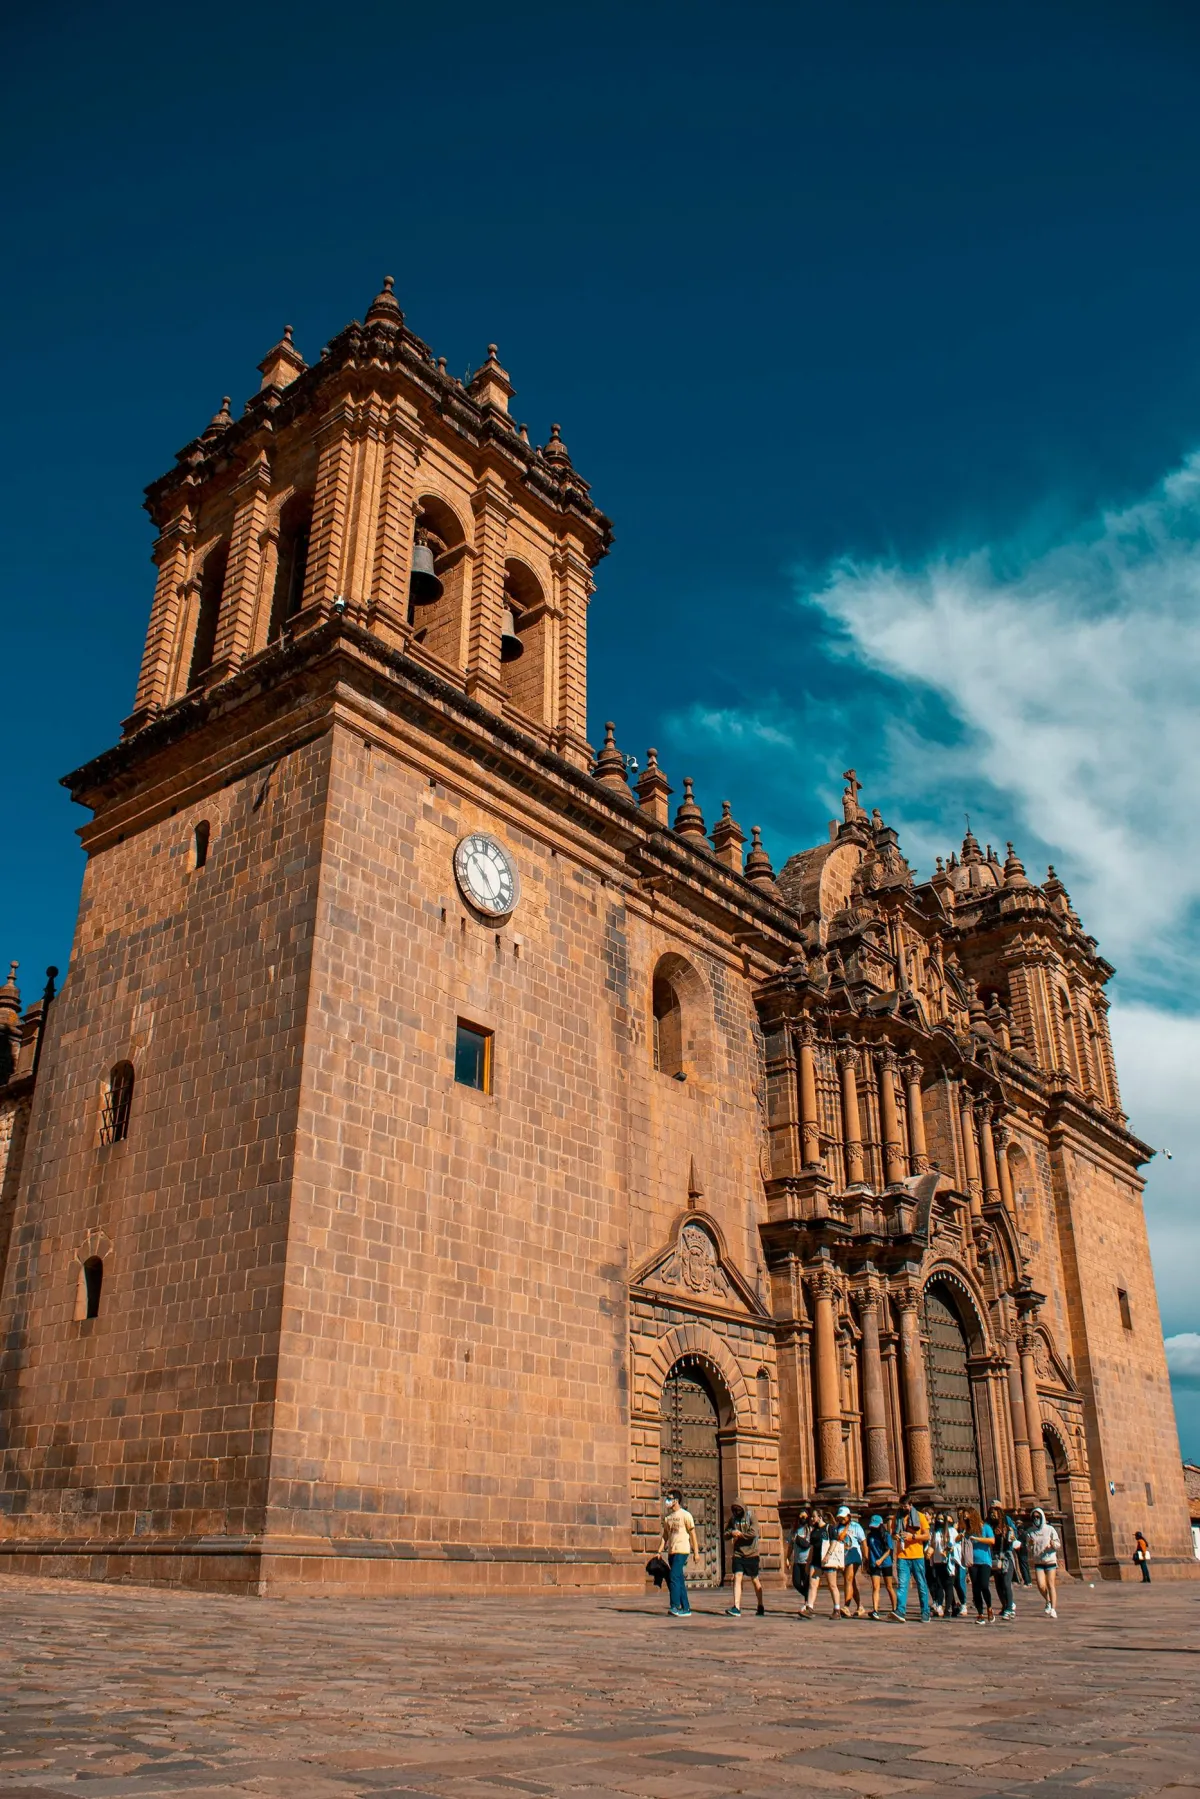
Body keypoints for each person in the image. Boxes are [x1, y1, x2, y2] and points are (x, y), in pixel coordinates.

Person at [659, 1490, 699, 1618]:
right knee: (679, 1580)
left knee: (674, 1577)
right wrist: (659, 1551)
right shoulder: (668, 1518)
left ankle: (675, 1606)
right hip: (672, 1551)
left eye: (669, 1499)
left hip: (682, 1550)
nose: (667, 1501)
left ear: (676, 1500)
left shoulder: (686, 1515)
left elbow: (693, 1534)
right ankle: (686, 1608)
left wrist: (696, 1552)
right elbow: (665, 1536)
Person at [723, 1502, 765, 1617]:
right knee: (737, 1576)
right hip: (738, 1553)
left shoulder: (751, 1516)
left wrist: (740, 1535)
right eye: (735, 1509)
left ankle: (760, 1605)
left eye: (739, 1509)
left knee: (755, 1580)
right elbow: (725, 1534)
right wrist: (732, 1532)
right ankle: (736, 1607)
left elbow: (754, 1532)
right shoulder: (733, 1520)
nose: (737, 1511)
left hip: (752, 1553)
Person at [893, 1498, 931, 1622]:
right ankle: (900, 1611)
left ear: (910, 1505)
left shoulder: (920, 1516)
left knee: (921, 1584)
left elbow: (927, 1535)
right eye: (901, 1506)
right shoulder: (897, 1517)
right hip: (902, 1556)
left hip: (917, 1555)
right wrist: (897, 1536)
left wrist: (912, 1536)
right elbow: (893, 1533)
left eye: (905, 1506)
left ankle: (925, 1612)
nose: (903, 1509)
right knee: (902, 1585)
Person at [1027, 1507, 1061, 1617]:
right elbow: (1028, 1548)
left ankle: (1053, 1609)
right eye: (1034, 1517)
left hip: (1050, 1559)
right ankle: (1048, 1601)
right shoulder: (1030, 1532)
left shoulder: (1050, 1529)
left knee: (1051, 1584)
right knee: (1041, 1585)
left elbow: (1057, 1544)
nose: (1036, 1519)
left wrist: (1052, 1544)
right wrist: (1030, 1545)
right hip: (1038, 1561)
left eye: (1038, 1517)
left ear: (1042, 1517)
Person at [965, 1505, 995, 1623]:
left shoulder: (986, 1528)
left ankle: (989, 1607)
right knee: (975, 1588)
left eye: (967, 1517)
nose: (965, 1519)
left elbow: (992, 1540)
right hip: (973, 1562)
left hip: (984, 1561)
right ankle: (980, 1614)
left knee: (984, 1586)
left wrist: (977, 1539)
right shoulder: (968, 1530)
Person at [987, 1502, 1016, 1620]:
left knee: (1006, 1582)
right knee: (998, 1584)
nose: (993, 1514)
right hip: (994, 1557)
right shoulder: (988, 1524)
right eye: (991, 1512)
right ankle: (1005, 1605)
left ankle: (1009, 1608)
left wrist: (1012, 1535)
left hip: (1006, 1556)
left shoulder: (1006, 1521)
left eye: (995, 1511)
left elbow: (1014, 1534)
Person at [866, 1512, 896, 1619]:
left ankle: (895, 1609)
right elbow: (869, 1549)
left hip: (886, 1563)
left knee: (889, 1587)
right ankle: (875, 1610)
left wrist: (881, 1559)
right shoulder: (870, 1536)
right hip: (874, 1563)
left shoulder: (886, 1535)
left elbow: (888, 1550)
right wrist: (868, 1562)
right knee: (875, 1587)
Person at [839, 1505, 867, 1616]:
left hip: (854, 1553)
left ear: (849, 1516)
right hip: (843, 1555)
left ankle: (846, 1606)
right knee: (851, 1582)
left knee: (848, 1578)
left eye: (843, 1517)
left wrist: (866, 1557)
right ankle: (860, 1606)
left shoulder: (856, 1526)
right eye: (840, 1517)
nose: (841, 1519)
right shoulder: (838, 1527)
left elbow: (864, 1542)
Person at [787, 1508, 814, 1615]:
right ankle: (808, 1597)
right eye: (800, 1516)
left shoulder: (810, 1530)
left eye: (804, 1517)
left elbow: (810, 1544)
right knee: (796, 1583)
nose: (802, 1518)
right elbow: (790, 1545)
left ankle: (807, 1603)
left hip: (807, 1560)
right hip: (797, 1561)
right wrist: (787, 1558)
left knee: (807, 1583)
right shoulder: (794, 1531)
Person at [926, 1512, 953, 1616]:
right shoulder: (934, 1532)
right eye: (938, 1519)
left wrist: (948, 1550)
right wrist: (928, 1552)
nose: (940, 1521)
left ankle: (948, 1608)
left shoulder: (951, 1531)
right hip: (937, 1561)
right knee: (939, 1584)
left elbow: (954, 1544)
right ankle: (940, 1606)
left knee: (948, 1585)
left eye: (942, 1519)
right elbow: (931, 1544)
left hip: (948, 1562)